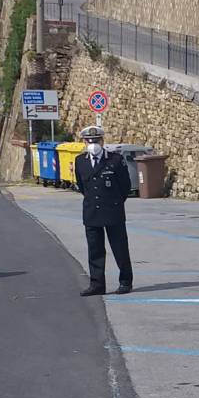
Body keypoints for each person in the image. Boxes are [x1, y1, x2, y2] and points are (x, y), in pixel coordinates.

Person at [74, 125, 133, 296]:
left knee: (120, 248)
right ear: (84, 142)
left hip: (113, 211)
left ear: (102, 141)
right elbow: (82, 186)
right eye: (89, 141)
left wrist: (114, 202)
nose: (93, 144)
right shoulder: (80, 161)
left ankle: (125, 281)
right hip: (91, 212)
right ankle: (97, 284)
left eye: (96, 140)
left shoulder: (115, 160)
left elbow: (125, 186)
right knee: (95, 250)